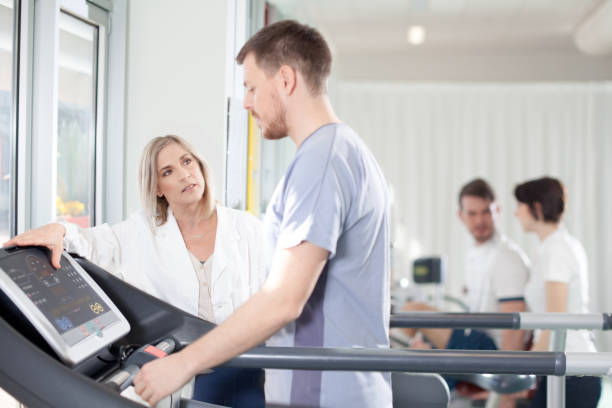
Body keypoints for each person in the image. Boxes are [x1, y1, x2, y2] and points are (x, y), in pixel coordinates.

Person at [133, 20, 392, 408]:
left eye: (252, 87)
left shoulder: (320, 162)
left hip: (322, 394)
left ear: (285, 80)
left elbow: (284, 299)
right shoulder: (343, 149)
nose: (246, 102)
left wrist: (183, 364)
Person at [4, 135, 267, 408]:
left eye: (187, 161)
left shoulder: (247, 228)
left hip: (242, 365)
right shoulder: (142, 231)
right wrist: (57, 230)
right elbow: (92, 242)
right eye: (168, 172)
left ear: (199, 165)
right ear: (158, 189)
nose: (184, 174)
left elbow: (279, 295)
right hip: (180, 373)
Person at [403, 178, 530, 353]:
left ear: (498, 211)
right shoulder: (475, 253)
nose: (479, 221)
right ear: (460, 216)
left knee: (412, 312)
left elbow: (513, 336)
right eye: (472, 214)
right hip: (475, 335)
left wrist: (505, 377)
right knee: (412, 325)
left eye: (486, 212)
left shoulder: (507, 258)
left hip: (492, 348)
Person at [514, 176, 600, 408]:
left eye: (520, 205)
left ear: (537, 208)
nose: (516, 213)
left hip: (573, 372)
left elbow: (555, 320)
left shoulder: (558, 250)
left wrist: (521, 365)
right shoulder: (550, 247)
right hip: (562, 368)